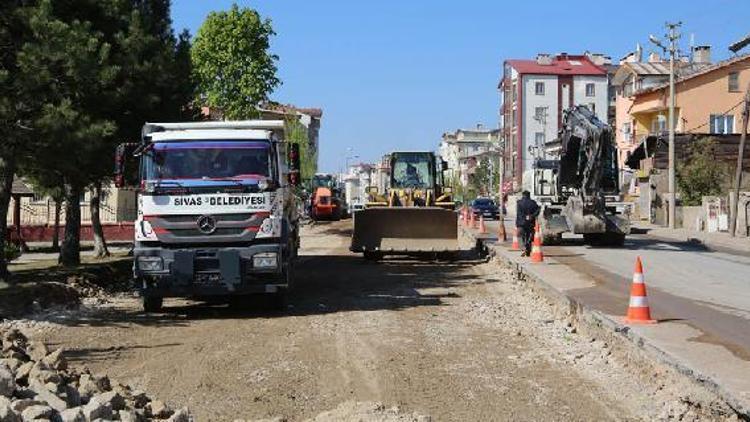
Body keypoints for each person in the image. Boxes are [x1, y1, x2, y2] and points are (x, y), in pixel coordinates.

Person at [516, 190, 540, 257]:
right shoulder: (533, 203)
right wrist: (532, 216)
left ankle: (523, 247)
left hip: (521, 223)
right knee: (529, 236)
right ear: (529, 195)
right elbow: (538, 210)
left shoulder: (519, 203)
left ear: (523, 195)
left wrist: (521, 220)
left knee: (520, 236)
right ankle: (528, 249)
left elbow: (519, 214)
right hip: (530, 222)